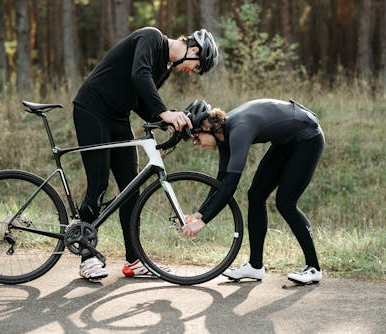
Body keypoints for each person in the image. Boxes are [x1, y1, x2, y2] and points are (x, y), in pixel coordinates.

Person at [72, 27, 219, 280]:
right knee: (99, 183)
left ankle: (134, 261)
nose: (192, 71)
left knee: (131, 189)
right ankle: (86, 257)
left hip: (118, 117)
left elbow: (142, 100)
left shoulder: (165, 67)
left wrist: (170, 120)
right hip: (91, 109)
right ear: (193, 50)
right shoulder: (151, 38)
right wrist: (164, 112)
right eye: (196, 66)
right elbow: (139, 75)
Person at [182, 99, 325, 284]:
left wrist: (203, 222)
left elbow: (232, 184)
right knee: (256, 195)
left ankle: (314, 268)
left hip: (308, 138)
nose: (197, 144)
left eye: (196, 138)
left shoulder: (238, 129)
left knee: (285, 203)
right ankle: (255, 266)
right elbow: (221, 181)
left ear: (206, 126)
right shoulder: (223, 135)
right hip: (286, 142)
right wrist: (200, 213)